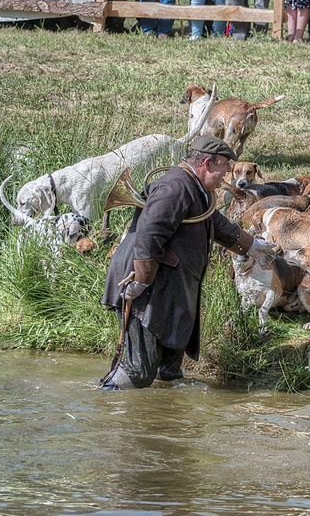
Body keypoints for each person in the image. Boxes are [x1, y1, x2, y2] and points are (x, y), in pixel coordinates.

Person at [100, 136, 255, 390]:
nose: (229, 170)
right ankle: (108, 404)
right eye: (225, 164)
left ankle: (166, 419)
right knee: (138, 371)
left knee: (168, 368)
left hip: (169, 288)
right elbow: (150, 234)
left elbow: (211, 219)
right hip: (145, 288)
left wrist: (252, 246)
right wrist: (140, 280)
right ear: (207, 163)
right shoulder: (174, 187)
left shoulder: (195, 187)